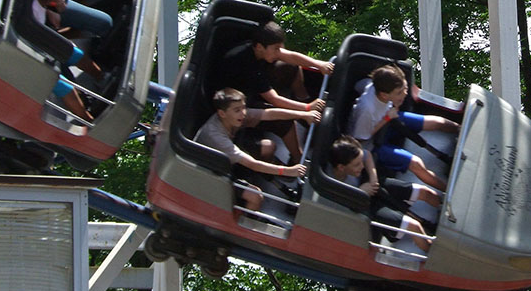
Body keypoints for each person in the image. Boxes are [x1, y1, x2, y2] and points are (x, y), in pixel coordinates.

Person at [213, 20, 331, 161]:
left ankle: (303, 102)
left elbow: (290, 56)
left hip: (248, 91)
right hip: (233, 106)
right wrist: (307, 108)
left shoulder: (259, 49)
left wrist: (319, 64)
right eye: (276, 48)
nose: (279, 52)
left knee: (292, 66)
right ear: (259, 47)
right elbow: (273, 99)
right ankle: (297, 160)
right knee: (285, 122)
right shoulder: (245, 63)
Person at [195, 88, 315, 212]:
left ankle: (270, 175)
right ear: (222, 114)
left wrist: (304, 114)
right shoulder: (216, 137)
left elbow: (269, 114)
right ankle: (247, 217)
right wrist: (288, 171)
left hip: (226, 158)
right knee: (255, 196)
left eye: (244, 108)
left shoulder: (235, 117)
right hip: (208, 173)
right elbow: (253, 164)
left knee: (269, 147)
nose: (243, 113)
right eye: (237, 110)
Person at [348, 63, 459, 191]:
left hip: (388, 118)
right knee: (416, 163)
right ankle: (450, 191)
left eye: (405, 88)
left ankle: (460, 129)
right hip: (371, 143)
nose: (405, 93)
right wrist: (386, 119)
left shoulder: (372, 85)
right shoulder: (367, 110)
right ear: (384, 95)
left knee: (436, 122)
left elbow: (359, 85)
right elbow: (361, 138)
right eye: (400, 92)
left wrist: (391, 111)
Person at [329, 135, 436, 252]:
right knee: (413, 226)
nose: (362, 166)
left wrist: (373, 178)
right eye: (357, 165)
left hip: (373, 185)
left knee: (424, 192)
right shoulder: (333, 183)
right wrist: (361, 192)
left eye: (360, 162)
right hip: (366, 205)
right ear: (341, 167)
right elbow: (349, 205)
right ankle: (434, 256)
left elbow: (367, 156)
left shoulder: (356, 161)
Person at [33, 0, 103, 122]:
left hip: (46, 45)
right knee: (64, 86)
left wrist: (53, 9)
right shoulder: (34, 9)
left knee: (75, 53)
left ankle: (102, 79)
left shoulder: (43, 5)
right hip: (33, 54)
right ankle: (87, 120)